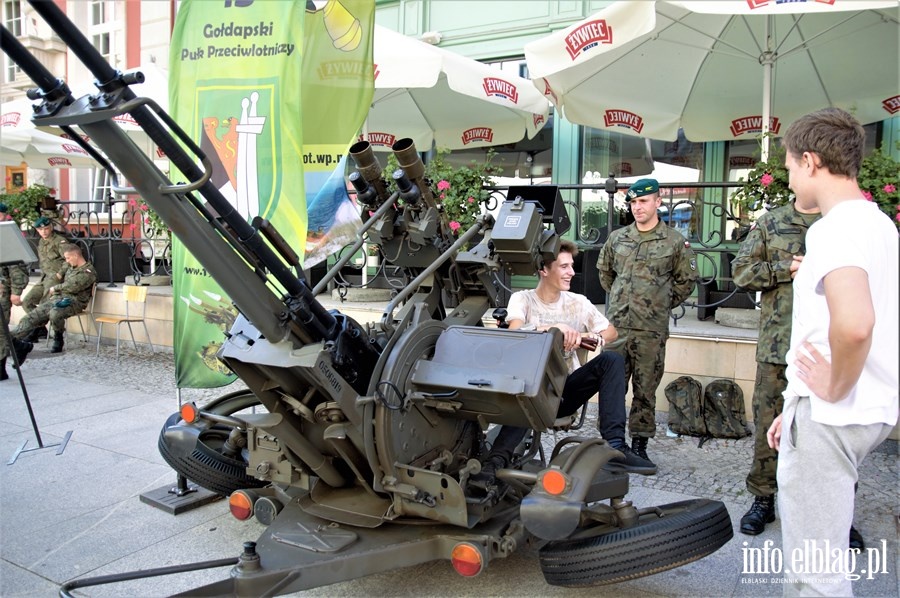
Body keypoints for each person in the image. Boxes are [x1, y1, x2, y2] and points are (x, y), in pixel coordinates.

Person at [766, 108, 898, 597]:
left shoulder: (833, 229)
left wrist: (829, 391)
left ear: (811, 161)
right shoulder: (877, 223)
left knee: (814, 572)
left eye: (790, 167)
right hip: (857, 411)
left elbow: (856, 324)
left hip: (835, 413)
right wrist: (797, 406)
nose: (789, 177)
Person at [475, 240, 656, 496]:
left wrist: (590, 338)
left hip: (564, 392)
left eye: (572, 266)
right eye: (564, 266)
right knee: (531, 389)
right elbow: (515, 329)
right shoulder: (523, 299)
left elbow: (611, 331)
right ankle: (495, 464)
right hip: (529, 389)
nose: (572, 272)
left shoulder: (577, 302)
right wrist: (555, 330)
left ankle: (615, 446)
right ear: (544, 270)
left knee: (612, 360)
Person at [731, 201, 820, 535]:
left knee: (826, 431)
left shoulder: (839, 220)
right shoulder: (772, 222)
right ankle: (763, 500)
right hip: (777, 347)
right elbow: (741, 271)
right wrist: (786, 266)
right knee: (767, 427)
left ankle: (830, 507)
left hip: (825, 351)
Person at [597, 178, 697, 464]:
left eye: (643, 201)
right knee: (612, 388)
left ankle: (639, 446)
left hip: (650, 330)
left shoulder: (675, 242)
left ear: (657, 202)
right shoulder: (618, 238)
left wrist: (657, 303)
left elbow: (685, 281)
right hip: (617, 328)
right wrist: (622, 300)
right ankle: (612, 443)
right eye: (633, 202)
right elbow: (605, 274)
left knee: (645, 389)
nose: (637, 207)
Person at [12, 244, 96, 359]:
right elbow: (60, 275)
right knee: (32, 316)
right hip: (58, 299)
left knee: (55, 313)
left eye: (68, 258)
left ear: (76, 255)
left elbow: (73, 286)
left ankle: (58, 338)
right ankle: (10, 339)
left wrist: (55, 288)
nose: (67, 261)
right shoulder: (71, 267)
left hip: (75, 302)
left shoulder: (88, 271)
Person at [20, 216, 68, 341]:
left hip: (55, 278)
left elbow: (69, 259)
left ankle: (34, 332)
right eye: (41, 230)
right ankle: (41, 329)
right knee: (27, 302)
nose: (44, 232)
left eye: (46, 229)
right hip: (44, 278)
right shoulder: (41, 242)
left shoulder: (60, 241)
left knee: (43, 306)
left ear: (51, 227)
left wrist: (60, 273)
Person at [0, 203, 30, 381]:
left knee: (0, 331)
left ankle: (1, 369)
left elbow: (17, 267)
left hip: (2, 291)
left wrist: (16, 291)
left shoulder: (6, 235)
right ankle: (19, 346)